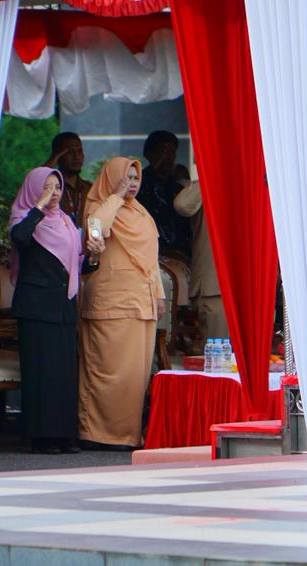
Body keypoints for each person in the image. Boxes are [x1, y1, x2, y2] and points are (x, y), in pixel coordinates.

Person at [9, 168, 102, 454]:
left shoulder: (65, 222)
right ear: (33, 188)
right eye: (47, 187)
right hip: (36, 309)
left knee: (63, 374)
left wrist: (95, 256)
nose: (53, 193)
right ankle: (40, 437)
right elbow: (20, 238)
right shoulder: (24, 217)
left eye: (57, 187)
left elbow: (76, 265)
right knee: (41, 373)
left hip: (62, 307)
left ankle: (63, 435)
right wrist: (38, 206)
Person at [78, 158, 165, 449]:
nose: (133, 183)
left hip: (142, 301)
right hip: (111, 303)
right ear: (112, 178)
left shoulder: (141, 213)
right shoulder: (100, 206)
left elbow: (151, 258)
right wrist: (114, 196)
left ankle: (128, 435)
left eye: (136, 178)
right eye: (126, 177)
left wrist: (160, 295)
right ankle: (97, 434)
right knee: (107, 372)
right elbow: (95, 229)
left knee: (134, 375)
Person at [172, 179, 227, 342]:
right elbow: (182, 205)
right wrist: (208, 175)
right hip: (215, 284)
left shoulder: (252, 180)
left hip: (250, 283)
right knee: (220, 358)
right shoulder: (209, 183)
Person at [136, 130, 190, 257]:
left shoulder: (177, 187)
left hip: (180, 253)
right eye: (163, 152)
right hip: (150, 252)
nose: (168, 158)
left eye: (172, 152)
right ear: (148, 154)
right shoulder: (139, 185)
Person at [45, 132, 92, 227]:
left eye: (79, 151)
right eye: (70, 152)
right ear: (58, 156)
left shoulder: (90, 189)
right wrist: (52, 159)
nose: (76, 157)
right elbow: (35, 179)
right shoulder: (48, 188)